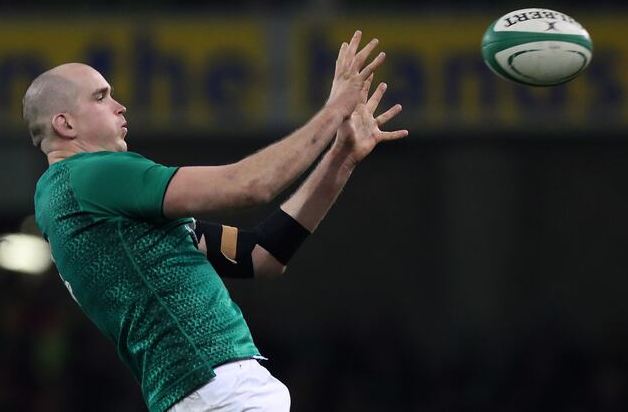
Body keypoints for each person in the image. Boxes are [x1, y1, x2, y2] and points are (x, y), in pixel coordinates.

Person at [22, 30, 408, 412]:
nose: (120, 106)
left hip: (204, 393)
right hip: (221, 389)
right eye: (101, 97)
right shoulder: (91, 176)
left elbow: (261, 254)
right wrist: (333, 111)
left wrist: (341, 155)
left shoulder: (90, 208)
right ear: (65, 125)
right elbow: (250, 185)